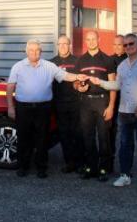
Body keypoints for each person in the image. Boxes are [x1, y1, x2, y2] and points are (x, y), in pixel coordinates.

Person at [6, 40, 86, 178]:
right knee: (24, 138)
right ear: (26, 51)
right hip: (23, 108)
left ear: (41, 52)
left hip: (43, 109)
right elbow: (10, 87)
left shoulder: (50, 66)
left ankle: (41, 168)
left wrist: (77, 76)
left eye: (37, 50)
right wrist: (10, 107)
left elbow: (65, 76)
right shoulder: (17, 67)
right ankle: (23, 167)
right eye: (31, 50)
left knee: (42, 139)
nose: (34, 53)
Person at [88, 33, 137, 191]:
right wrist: (100, 82)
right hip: (124, 111)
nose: (128, 47)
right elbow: (117, 85)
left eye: (131, 44)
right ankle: (125, 175)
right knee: (125, 145)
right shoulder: (122, 66)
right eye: (125, 45)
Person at [75, 30, 116, 181]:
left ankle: (104, 168)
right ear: (86, 41)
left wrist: (111, 106)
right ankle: (91, 167)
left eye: (93, 39)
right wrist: (79, 87)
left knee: (104, 136)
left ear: (99, 40)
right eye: (88, 39)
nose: (91, 41)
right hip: (86, 102)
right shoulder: (81, 60)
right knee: (87, 136)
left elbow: (112, 85)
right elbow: (75, 82)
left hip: (102, 101)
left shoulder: (107, 60)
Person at [49, 35, 83, 173]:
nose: (62, 46)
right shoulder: (51, 63)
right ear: (57, 46)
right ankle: (69, 163)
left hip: (75, 103)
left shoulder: (77, 61)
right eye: (60, 44)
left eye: (65, 43)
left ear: (70, 45)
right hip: (59, 103)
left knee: (77, 133)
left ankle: (81, 162)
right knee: (64, 134)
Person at [109, 34, 128, 172]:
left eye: (119, 44)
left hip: (126, 102)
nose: (117, 47)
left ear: (125, 46)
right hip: (112, 101)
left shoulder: (129, 60)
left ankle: (125, 166)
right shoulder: (108, 60)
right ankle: (109, 161)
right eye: (114, 44)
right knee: (110, 131)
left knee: (125, 133)